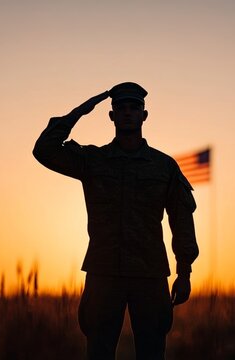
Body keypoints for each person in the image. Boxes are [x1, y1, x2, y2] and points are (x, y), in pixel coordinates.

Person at [33, 82, 199, 359]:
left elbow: (182, 220)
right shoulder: (93, 160)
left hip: (149, 273)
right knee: (98, 350)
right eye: (120, 108)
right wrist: (79, 112)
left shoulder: (163, 166)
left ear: (144, 115)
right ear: (111, 115)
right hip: (103, 273)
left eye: (134, 108)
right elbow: (44, 150)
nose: (127, 113)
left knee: (152, 352)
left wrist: (184, 272)